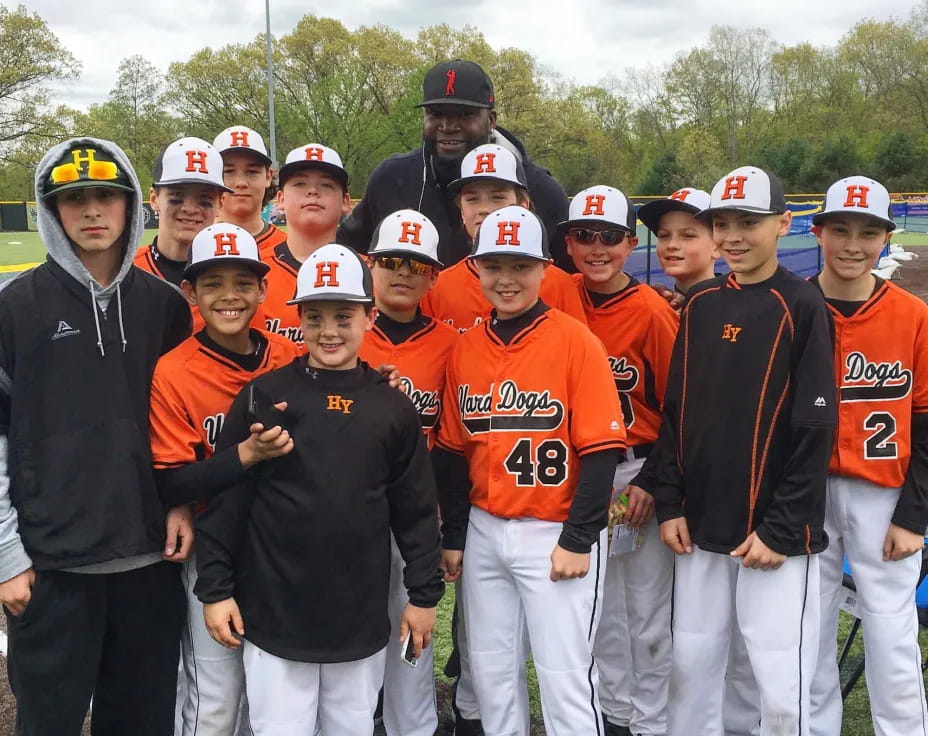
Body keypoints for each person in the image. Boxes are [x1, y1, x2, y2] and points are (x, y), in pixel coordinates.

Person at [194, 244, 444, 735]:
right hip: (276, 613)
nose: (329, 330)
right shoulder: (263, 395)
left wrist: (423, 595)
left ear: (370, 318)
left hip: (358, 615)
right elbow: (227, 502)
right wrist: (216, 589)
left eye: (343, 315)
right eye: (315, 316)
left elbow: (414, 511)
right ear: (299, 319)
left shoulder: (391, 407)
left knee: (349, 727)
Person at [0, 137, 193, 735]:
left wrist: (182, 499)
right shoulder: (14, 306)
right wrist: (8, 555)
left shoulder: (165, 306)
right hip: (53, 566)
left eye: (105, 196)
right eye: (74, 198)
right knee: (48, 723)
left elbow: (180, 426)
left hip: (149, 561)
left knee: (141, 721)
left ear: (132, 203)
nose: (91, 211)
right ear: (50, 209)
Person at [656, 166, 837, 736]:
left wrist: (783, 526)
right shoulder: (703, 302)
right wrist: (670, 501)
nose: (733, 235)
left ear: (784, 223)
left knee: (780, 680)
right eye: (723, 223)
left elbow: (816, 426)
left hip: (773, 532)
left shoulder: (802, 304)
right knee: (692, 667)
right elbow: (677, 412)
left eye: (748, 222)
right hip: (704, 521)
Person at [436, 206, 626, 735]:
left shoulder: (576, 341)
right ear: (476, 269)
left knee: (565, 676)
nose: (507, 279)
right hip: (484, 527)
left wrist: (579, 537)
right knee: (492, 675)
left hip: (554, 530)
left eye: (520, 266)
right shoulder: (466, 349)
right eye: (494, 265)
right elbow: (453, 452)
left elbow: (601, 449)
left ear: (544, 269)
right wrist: (454, 534)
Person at [149, 223, 299, 736]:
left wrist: (380, 378)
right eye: (212, 283)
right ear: (190, 292)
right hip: (214, 550)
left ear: (263, 289)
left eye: (242, 281)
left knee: (273, 696)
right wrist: (246, 454)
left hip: (280, 547)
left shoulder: (290, 356)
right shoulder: (174, 370)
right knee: (214, 700)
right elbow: (171, 483)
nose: (229, 296)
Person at [807, 176, 928, 736]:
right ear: (818, 231)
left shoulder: (912, 315)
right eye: (840, 230)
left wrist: (914, 516)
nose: (853, 244)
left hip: (884, 496)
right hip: (802, 494)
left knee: (890, 633)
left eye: (868, 232)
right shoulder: (792, 306)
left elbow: (926, 421)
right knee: (807, 632)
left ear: (885, 238)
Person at [638, 185, 759, 736]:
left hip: (732, 494)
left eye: (689, 233)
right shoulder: (683, 304)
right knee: (689, 627)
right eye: (664, 235)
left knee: (728, 634)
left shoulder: (729, 306)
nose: (671, 244)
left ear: (718, 240)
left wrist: (658, 483)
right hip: (691, 490)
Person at [565, 185, 678, 736]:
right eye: (583, 235)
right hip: (580, 471)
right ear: (567, 243)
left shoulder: (653, 312)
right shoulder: (558, 297)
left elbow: (681, 408)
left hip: (637, 468)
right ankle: (615, 715)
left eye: (609, 236)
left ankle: (652, 721)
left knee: (648, 611)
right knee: (600, 608)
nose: (596, 247)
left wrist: (654, 478)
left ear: (631, 243)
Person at [360, 209, 458, 736]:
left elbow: (452, 440)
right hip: (353, 508)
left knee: (413, 633)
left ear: (433, 276)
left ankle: (413, 727)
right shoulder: (342, 330)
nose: (403, 273)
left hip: (416, 510)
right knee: (352, 629)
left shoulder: (450, 343)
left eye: (417, 265)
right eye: (392, 260)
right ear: (370, 264)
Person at [338, 59, 571, 268]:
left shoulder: (542, 190)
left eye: (463, 114)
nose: (448, 125)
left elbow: (569, 279)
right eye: (435, 113)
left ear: (490, 120)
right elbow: (348, 251)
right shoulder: (391, 178)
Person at [422, 143, 586, 331]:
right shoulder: (437, 288)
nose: (484, 209)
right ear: (461, 211)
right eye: (472, 199)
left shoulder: (560, 285)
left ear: (523, 205)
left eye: (498, 197)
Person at [261, 143, 351, 348]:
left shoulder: (369, 273)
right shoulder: (255, 271)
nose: (312, 191)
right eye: (300, 183)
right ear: (281, 199)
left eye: (326, 185)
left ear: (345, 201)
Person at [135, 136, 231, 289]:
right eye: (177, 196)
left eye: (204, 198)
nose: (190, 209)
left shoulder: (234, 273)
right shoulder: (125, 273)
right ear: (154, 199)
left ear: (220, 203)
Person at [212, 125, 287, 254]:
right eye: (228, 171)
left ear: (268, 177)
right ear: (212, 175)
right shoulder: (192, 246)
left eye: (252, 172)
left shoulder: (290, 250)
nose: (241, 183)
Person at [638, 187, 719, 298]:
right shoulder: (655, 304)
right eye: (664, 235)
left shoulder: (739, 306)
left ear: (717, 246)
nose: (672, 245)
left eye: (688, 236)